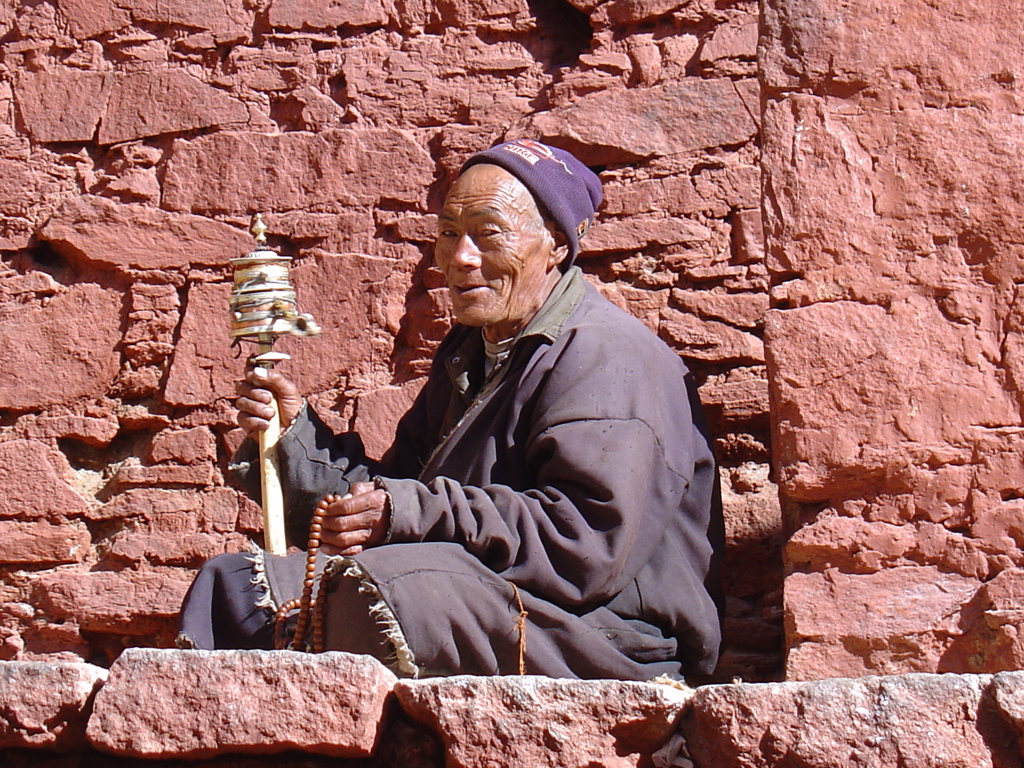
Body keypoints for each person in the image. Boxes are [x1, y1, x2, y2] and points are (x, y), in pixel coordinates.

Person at [177, 139, 724, 681]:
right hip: (480, 594)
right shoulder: (468, 353)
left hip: (602, 633)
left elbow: (583, 542)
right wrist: (295, 438)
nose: (460, 259)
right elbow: (397, 490)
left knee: (383, 590)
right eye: (448, 234)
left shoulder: (606, 355)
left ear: (556, 244)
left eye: (488, 234)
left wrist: (404, 513)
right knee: (236, 586)